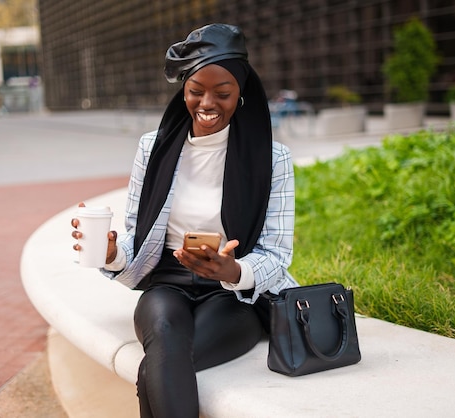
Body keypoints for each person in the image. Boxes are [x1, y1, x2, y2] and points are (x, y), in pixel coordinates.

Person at [71, 23, 297, 418]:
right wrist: (111, 254)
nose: (207, 103)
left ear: (241, 93)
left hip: (232, 295)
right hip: (166, 285)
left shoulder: (273, 159)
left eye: (222, 93)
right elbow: (136, 239)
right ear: (183, 91)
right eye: (195, 91)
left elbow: (277, 255)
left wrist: (235, 269)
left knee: (157, 366)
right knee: (166, 344)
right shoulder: (153, 149)